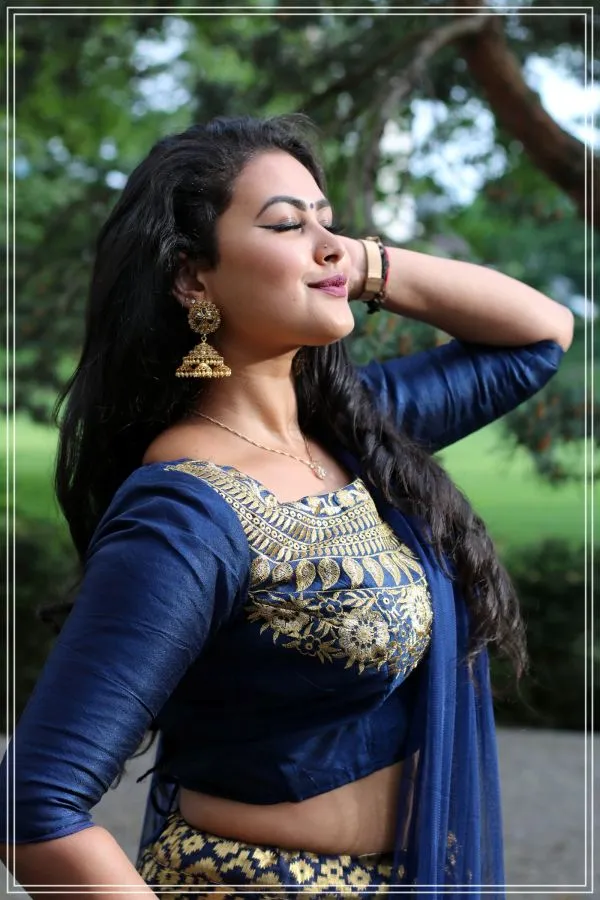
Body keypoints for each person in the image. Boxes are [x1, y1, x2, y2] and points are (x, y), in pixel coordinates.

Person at [0, 114, 573, 899]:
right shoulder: (184, 513)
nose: (327, 243)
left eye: (327, 220)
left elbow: (540, 335)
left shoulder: (355, 428)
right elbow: (32, 807)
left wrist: (358, 262)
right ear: (193, 279)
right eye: (284, 225)